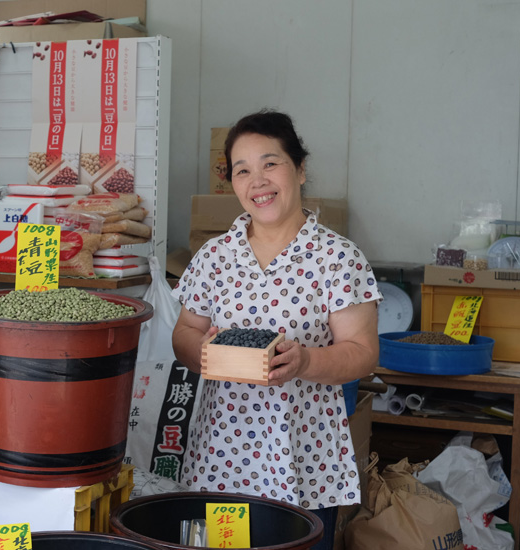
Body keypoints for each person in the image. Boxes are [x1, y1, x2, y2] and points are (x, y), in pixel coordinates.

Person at [171, 110, 380, 550]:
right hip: (222, 456)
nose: (257, 182)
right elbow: (186, 331)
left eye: (270, 163)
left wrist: (305, 361)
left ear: (300, 169)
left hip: (305, 460)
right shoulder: (215, 256)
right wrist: (203, 351)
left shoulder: (338, 258)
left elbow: (362, 352)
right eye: (242, 170)